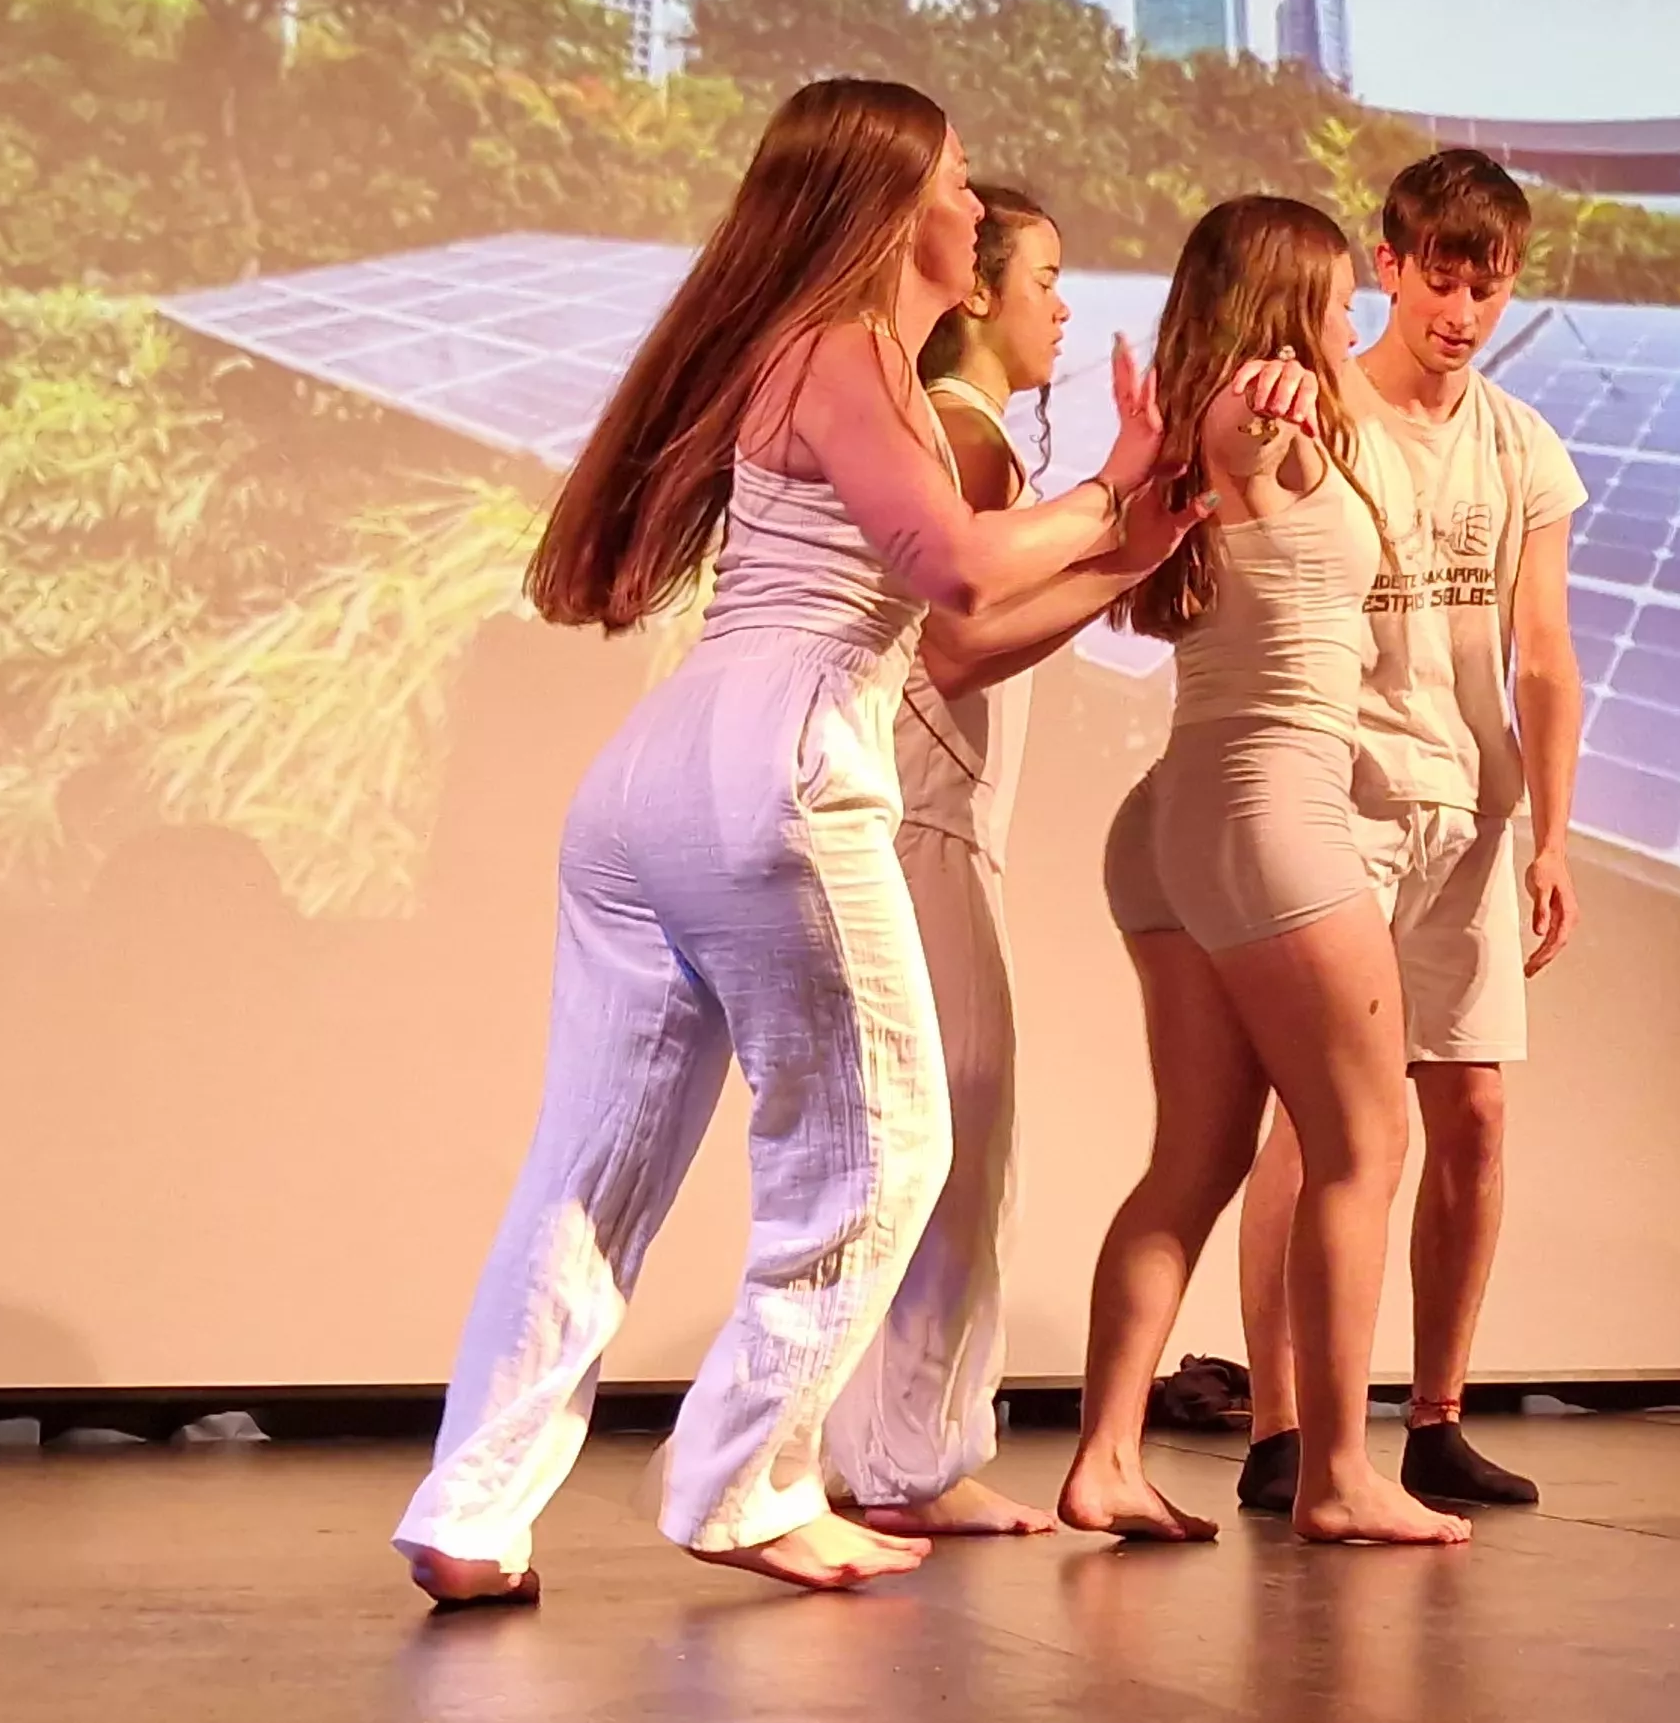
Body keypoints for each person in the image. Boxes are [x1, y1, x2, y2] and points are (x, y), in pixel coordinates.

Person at [389, 81, 1199, 1604]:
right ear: (900, 208)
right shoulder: (846, 347)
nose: (977, 207)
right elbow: (947, 565)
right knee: (886, 1140)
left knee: (592, 1168)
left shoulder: (809, 350)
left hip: (663, 776)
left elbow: (944, 612)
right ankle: (748, 1479)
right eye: (960, 183)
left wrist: (1126, 537)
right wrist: (1109, 489)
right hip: (780, 763)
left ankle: (473, 1505)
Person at [1059, 195, 1472, 1548]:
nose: (1356, 314)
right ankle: (1342, 1470)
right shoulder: (1256, 420)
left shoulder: (1201, 426)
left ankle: (1110, 1456)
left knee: (1196, 1155)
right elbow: (1250, 435)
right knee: (1365, 1141)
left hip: (1181, 816)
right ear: (1289, 300)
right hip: (1268, 813)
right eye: (1337, 294)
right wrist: (1259, 401)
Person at [1233, 149, 1586, 1514]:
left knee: (1477, 1110)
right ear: (1388, 265)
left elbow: (1543, 652)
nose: (1460, 305)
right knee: (1326, 1116)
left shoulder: (1519, 444)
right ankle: (1280, 1426)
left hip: (1472, 811)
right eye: (1438, 274)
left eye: (1485, 282)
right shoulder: (1323, 409)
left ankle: (1435, 1413)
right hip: (1343, 799)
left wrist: (1553, 833)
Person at [821, 186, 1146, 1540]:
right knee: (953, 1138)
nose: (1062, 305)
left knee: (914, 1138)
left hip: (926, 821)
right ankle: (906, 1460)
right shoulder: (974, 446)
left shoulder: (957, 438)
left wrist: (1120, 555)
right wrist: (1122, 545)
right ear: (974, 293)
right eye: (1046, 279)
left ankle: (881, 1451)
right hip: (925, 822)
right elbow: (951, 648)